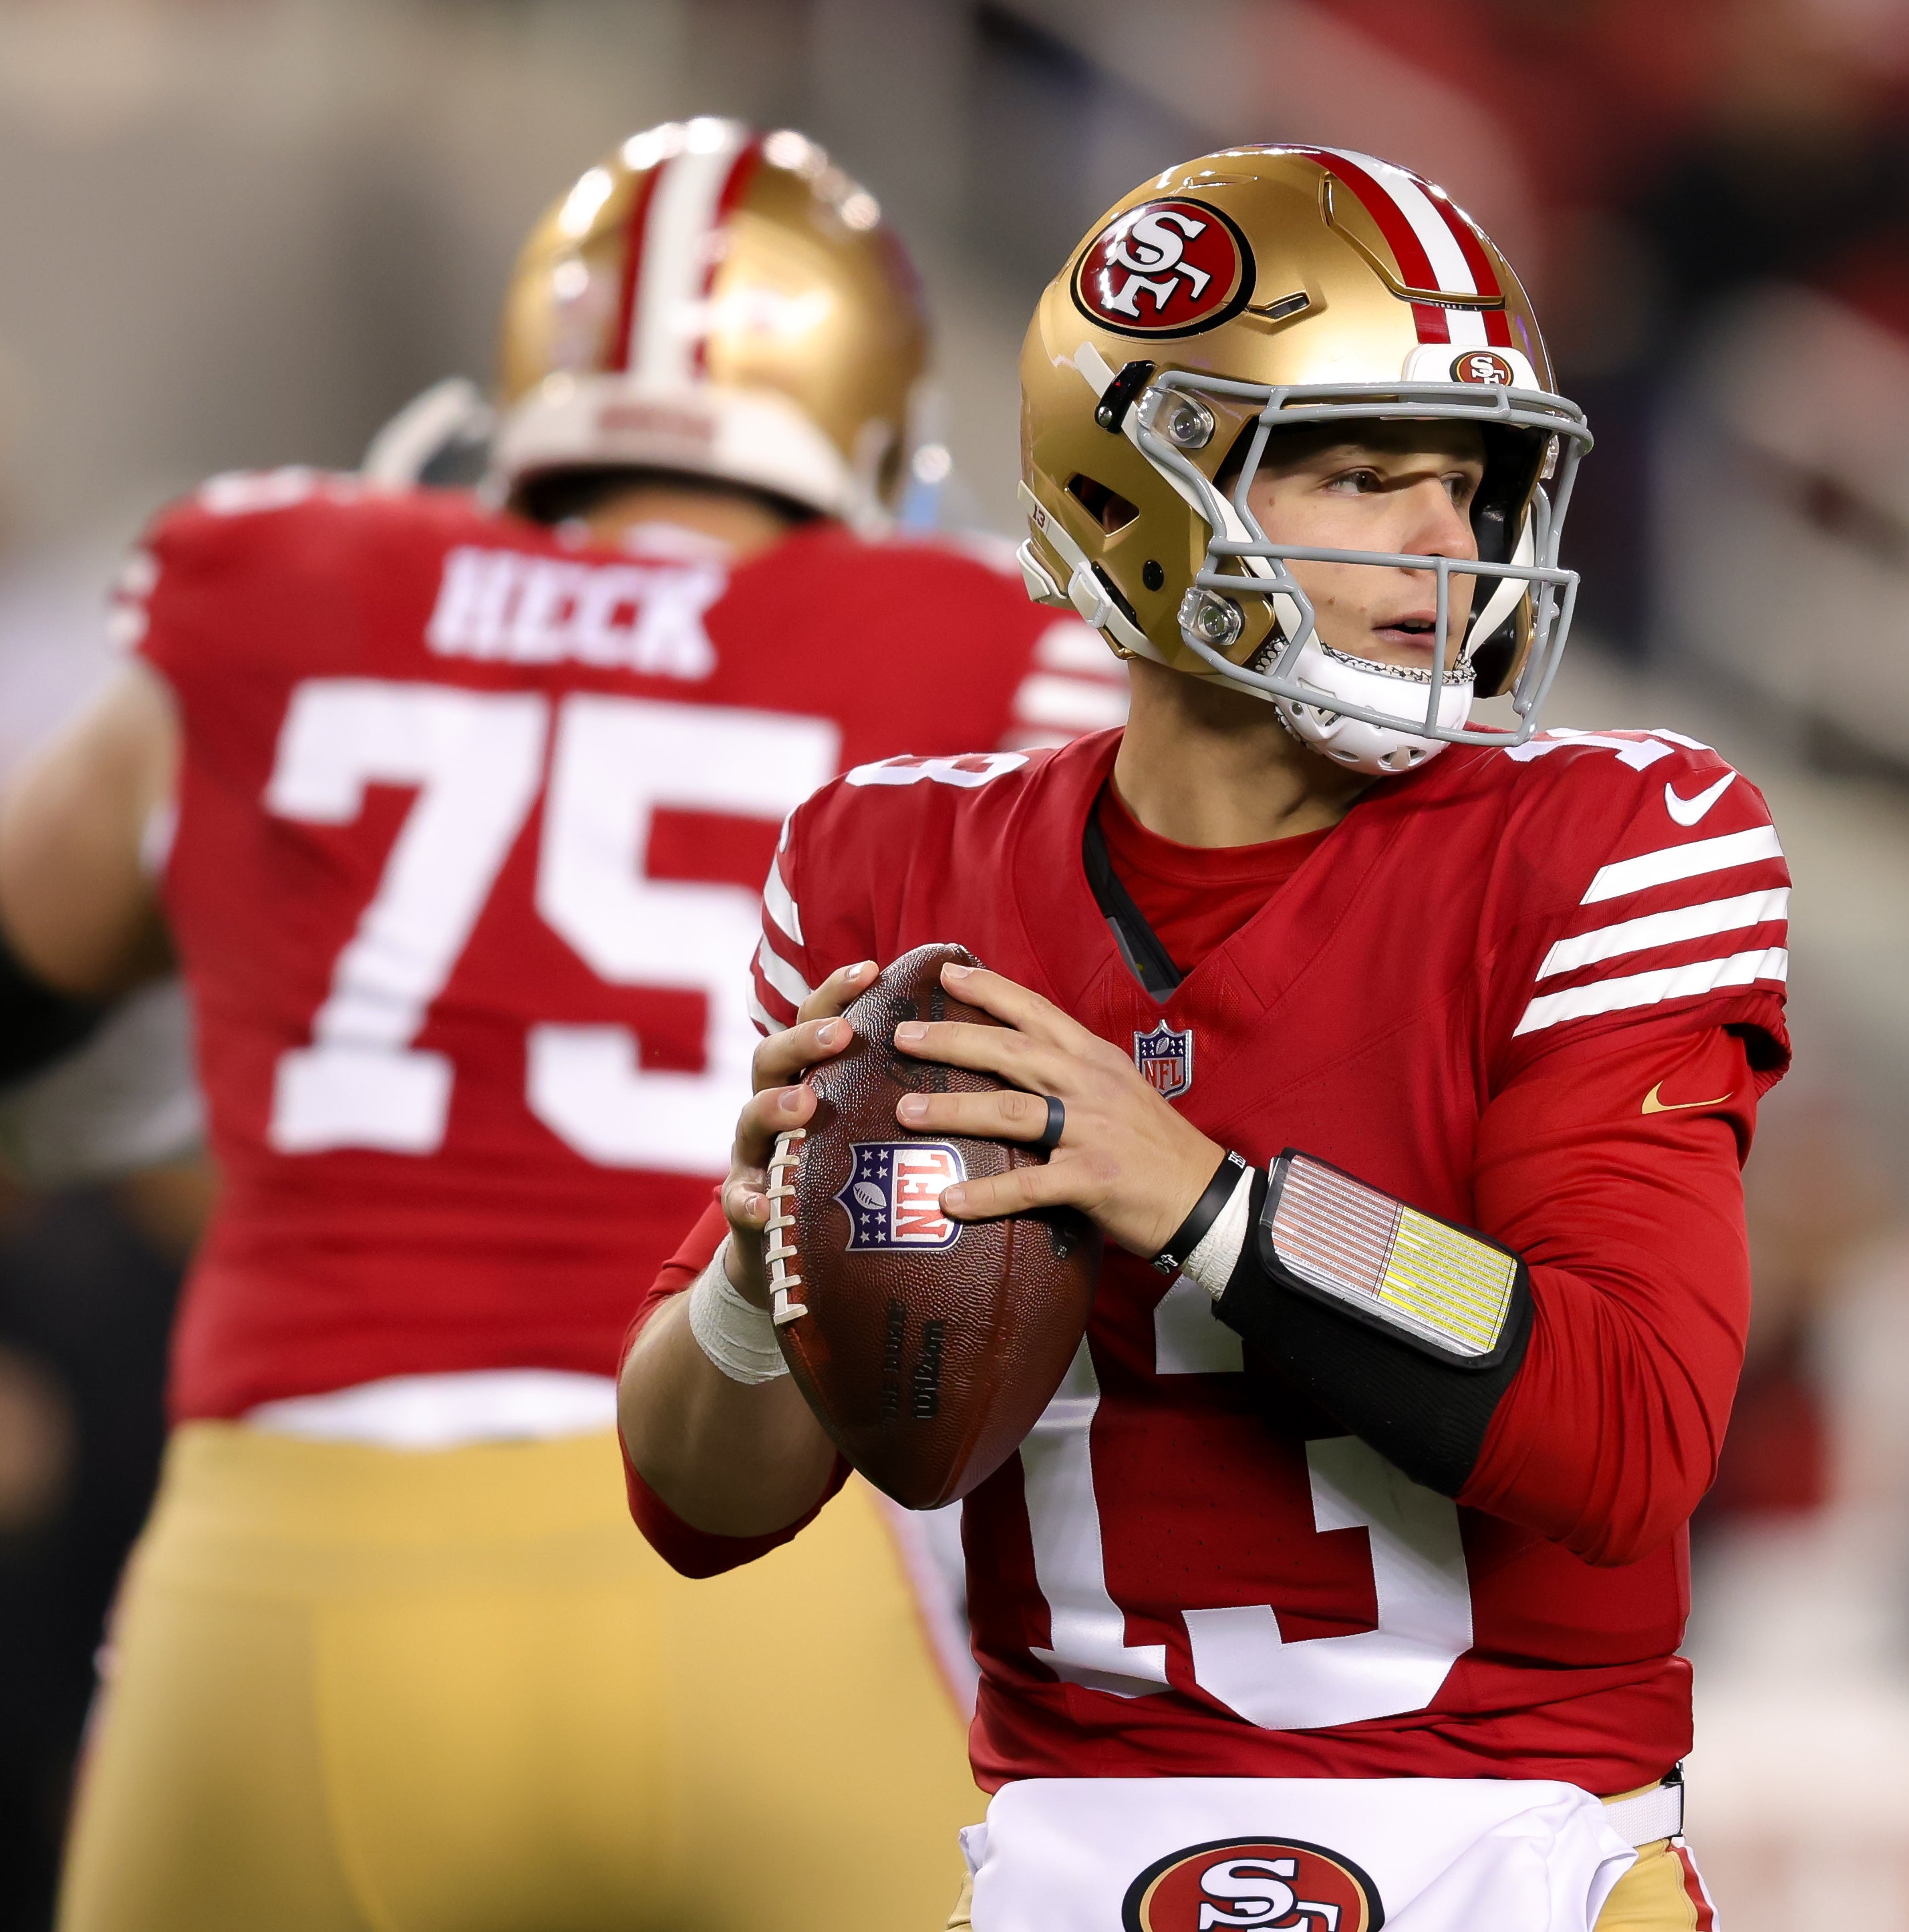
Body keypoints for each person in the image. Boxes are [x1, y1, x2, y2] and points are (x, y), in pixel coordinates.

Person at [616, 145, 1793, 1932]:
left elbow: (1627, 1427)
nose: (1446, 545)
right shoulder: (899, 866)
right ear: (1137, 483)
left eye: (1471, 482)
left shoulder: (1613, 841)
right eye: (1361, 468)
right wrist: (757, 1270)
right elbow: (697, 1504)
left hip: (1516, 1842)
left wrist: (1222, 1207)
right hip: (1071, 1845)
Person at [0, 118, 1119, 1930]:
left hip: (283, 1588)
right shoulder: (996, 648)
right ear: (868, 443)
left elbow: (27, 967)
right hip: (761, 1563)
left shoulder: (265, 588)